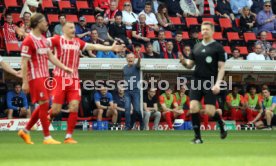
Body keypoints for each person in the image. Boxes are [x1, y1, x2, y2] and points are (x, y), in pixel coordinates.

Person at [48, 22, 123, 143]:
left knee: (74, 107)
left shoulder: (78, 42)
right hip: (59, 78)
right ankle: (46, 117)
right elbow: (40, 42)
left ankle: (68, 137)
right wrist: (27, 35)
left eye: (74, 27)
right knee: (56, 109)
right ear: (64, 29)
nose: (73, 29)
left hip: (74, 79)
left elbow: (94, 47)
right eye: (71, 27)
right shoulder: (57, 39)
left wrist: (111, 48)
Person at [18, 13, 73, 145]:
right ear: (37, 24)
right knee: (45, 104)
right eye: (44, 22)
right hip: (35, 77)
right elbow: (24, 62)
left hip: (45, 76)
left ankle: (25, 131)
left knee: (44, 104)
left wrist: (63, 67)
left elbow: (51, 57)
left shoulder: (43, 38)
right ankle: (47, 137)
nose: (46, 24)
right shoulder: (28, 40)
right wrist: (24, 82)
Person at [179, 21, 227, 144]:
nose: (204, 31)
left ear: (212, 31)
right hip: (196, 80)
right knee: (193, 107)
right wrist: (183, 62)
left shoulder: (218, 47)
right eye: (203, 29)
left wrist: (217, 84)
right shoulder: (196, 46)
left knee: (210, 112)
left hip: (210, 81)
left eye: (207, 29)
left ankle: (221, 123)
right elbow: (190, 65)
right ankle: (198, 138)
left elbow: (222, 67)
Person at [123, 53, 143, 130]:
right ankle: (128, 126)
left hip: (135, 91)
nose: (130, 59)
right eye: (129, 57)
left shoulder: (136, 66)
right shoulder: (124, 68)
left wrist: (139, 58)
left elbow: (138, 64)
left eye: (132, 57)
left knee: (137, 109)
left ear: (134, 59)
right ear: (126, 59)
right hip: (127, 91)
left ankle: (141, 123)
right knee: (127, 108)